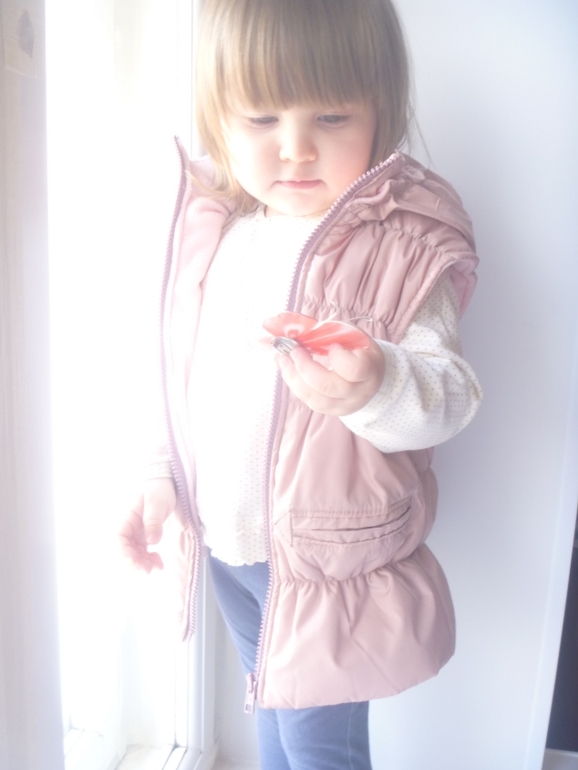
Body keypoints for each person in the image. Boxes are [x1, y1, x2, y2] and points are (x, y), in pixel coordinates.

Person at [119, 0, 482, 767]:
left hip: (325, 571)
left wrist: (376, 386)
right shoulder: (222, 232)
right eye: (261, 118)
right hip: (227, 550)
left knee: (320, 751)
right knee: (267, 705)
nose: (296, 148)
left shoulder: (400, 249)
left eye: (331, 116)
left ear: (381, 110)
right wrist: (158, 475)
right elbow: (183, 374)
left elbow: (450, 396)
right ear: (219, 115)